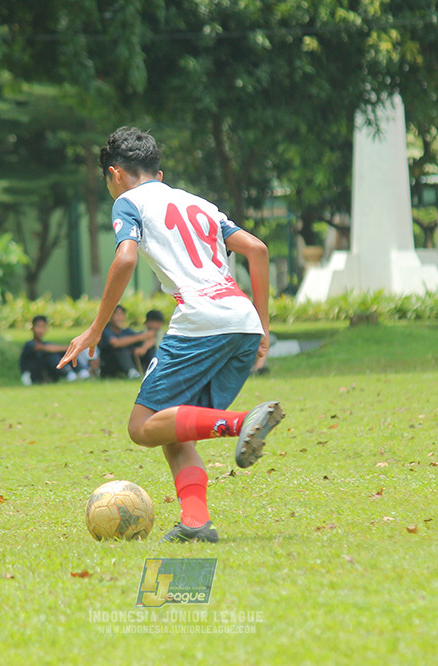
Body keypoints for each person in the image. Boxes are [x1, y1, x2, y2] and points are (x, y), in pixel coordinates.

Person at [58, 126, 284, 543]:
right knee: (170, 427)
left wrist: (95, 329)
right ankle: (196, 524)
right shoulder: (201, 204)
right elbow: (257, 249)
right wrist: (263, 328)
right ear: (159, 174)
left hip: (200, 319)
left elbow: (125, 259)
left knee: (142, 426)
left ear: (115, 174)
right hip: (241, 320)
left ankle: (240, 423)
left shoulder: (128, 202)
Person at [19, 315, 92, 385]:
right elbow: (44, 348)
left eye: (43, 327)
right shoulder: (29, 344)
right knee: (51, 354)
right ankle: (68, 373)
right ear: (33, 328)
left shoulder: (46, 343)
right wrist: (70, 348)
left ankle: (80, 371)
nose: (40, 330)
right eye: (38, 327)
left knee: (60, 352)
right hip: (31, 376)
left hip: (45, 373)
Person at [97, 305, 156, 379]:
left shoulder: (126, 331)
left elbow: (151, 339)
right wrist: (140, 337)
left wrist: (143, 348)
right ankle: (131, 372)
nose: (120, 318)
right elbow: (115, 343)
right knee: (120, 348)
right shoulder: (106, 331)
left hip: (127, 362)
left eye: (122, 314)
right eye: (117, 314)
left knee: (150, 348)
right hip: (110, 365)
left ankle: (152, 370)